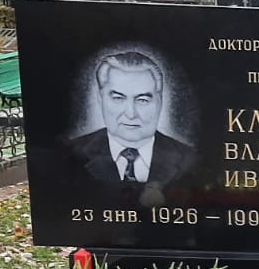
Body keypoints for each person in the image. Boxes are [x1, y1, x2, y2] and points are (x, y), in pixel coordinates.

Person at [69, 51, 196, 192]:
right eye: (118, 98)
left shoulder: (190, 158)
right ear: (100, 99)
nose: (131, 114)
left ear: (160, 102)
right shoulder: (69, 153)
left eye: (142, 100)